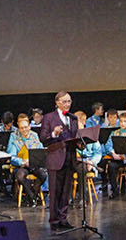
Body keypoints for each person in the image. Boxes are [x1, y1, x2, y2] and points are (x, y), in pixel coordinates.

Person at [40, 92, 80, 232]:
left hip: (69, 157)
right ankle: (54, 221)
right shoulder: (49, 117)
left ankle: (63, 218)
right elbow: (43, 138)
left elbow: (75, 136)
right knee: (55, 192)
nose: (67, 104)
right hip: (56, 158)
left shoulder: (73, 118)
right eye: (64, 101)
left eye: (69, 101)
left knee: (65, 192)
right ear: (57, 102)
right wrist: (54, 134)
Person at [7, 113, 47, 207]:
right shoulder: (14, 136)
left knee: (43, 175)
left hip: (33, 164)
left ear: (29, 126)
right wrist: (23, 162)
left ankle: (33, 192)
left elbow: (40, 150)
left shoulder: (34, 135)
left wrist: (36, 159)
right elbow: (11, 156)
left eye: (26, 127)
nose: (24, 130)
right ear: (19, 128)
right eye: (21, 128)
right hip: (21, 165)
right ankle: (32, 196)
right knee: (20, 175)